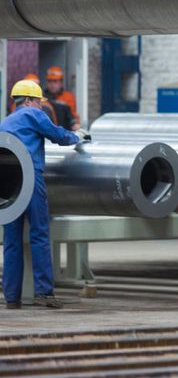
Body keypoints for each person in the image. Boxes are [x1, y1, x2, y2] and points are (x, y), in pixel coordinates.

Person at [1, 79, 89, 309]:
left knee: (11, 241)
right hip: (30, 178)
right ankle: (44, 293)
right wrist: (78, 136)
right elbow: (57, 135)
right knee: (40, 234)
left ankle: (12, 298)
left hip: (7, 186)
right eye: (39, 101)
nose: (41, 106)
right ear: (29, 100)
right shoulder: (33, 115)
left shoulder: (5, 122)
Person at [44, 66, 80, 130]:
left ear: (61, 82)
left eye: (55, 81)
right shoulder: (42, 97)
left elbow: (73, 116)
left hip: (64, 130)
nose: (52, 84)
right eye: (50, 81)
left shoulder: (68, 97)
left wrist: (75, 124)